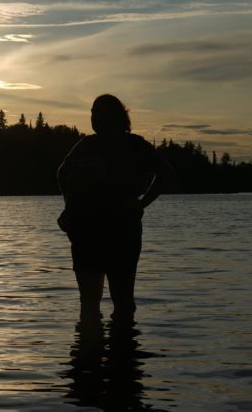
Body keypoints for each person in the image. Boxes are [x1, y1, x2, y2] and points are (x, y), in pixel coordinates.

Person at [57, 94, 174, 322]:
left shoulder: (134, 145)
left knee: (122, 303)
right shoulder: (85, 144)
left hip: (121, 235)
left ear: (117, 116)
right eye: (93, 112)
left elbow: (166, 173)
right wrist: (70, 206)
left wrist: (141, 204)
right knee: (88, 305)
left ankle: (123, 352)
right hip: (85, 235)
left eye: (101, 112)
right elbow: (63, 172)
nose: (95, 116)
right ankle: (89, 352)